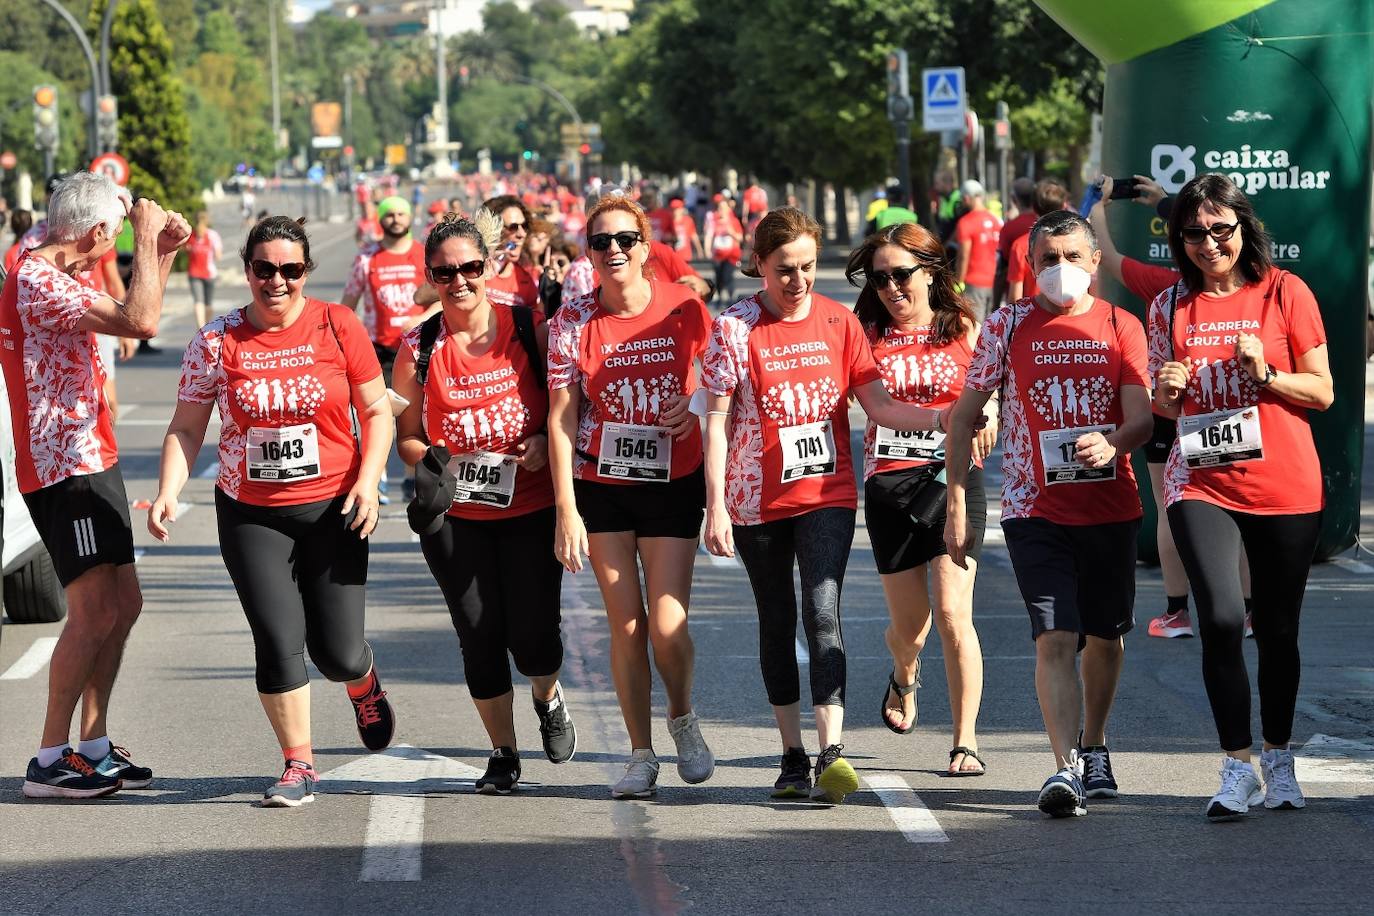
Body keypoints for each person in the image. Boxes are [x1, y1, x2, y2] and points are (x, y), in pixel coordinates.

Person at [701, 208, 961, 804]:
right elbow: (713, 422)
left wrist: (943, 417)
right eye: (784, 269)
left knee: (823, 610)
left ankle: (831, 753)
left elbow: (879, 405)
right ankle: (791, 754)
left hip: (827, 493)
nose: (798, 281)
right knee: (776, 617)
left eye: (809, 267)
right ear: (759, 267)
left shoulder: (840, 322)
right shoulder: (735, 328)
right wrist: (714, 505)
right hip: (755, 498)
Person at [149, 216, 396, 808]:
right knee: (278, 639)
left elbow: (379, 411)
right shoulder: (216, 341)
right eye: (265, 269)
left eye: (290, 270)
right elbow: (186, 429)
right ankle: (298, 764)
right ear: (248, 270)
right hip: (250, 512)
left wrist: (368, 481)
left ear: (305, 272)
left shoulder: (339, 327)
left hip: (335, 506)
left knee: (336, 652)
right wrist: (167, 491)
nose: (277, 282)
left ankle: (362, 681)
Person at [944, 209, 1154, 819]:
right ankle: (1063, 767)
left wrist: (1114, 442)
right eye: (1046, 260)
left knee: (1106, 639)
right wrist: (957, 501)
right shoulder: (1007, 325)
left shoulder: (1120, 324)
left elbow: (1141, 416)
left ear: (1093, 262)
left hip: (1111, 507)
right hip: (1033, 508)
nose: (1059, 269)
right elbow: (965, 415)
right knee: (1055, 637)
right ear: (1030, 266)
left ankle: (1095, 745)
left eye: (1070, 257)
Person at [1147, 174, 1332, 820]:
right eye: (1193, 233)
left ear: (1243, 229)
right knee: (1222, 619)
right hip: (1201, 481)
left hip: (1285, 484)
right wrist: (1166, 393)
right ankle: (1237, 766)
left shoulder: (1286, 292)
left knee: (1277, 630)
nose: (1207, 244)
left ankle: (1278, 758)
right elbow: (1161, 408)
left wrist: (1268, 374)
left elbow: (1323, 390)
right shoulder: (1169, 306)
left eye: (1219, 230)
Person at [1, 172, 189, 798]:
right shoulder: (37, 279)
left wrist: (158, 254)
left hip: (92, 454)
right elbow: (142, 320)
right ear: (100, 232)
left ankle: (94, 745)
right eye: (118, 230)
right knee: (91, 611)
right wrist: (150, 242)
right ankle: (49, 760)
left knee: (124, 604)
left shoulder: (63, 274)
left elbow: (139, 314)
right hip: (63, 468)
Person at [391, 210, 576, 793]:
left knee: (534, 635)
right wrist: (435, 457)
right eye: (446, 273)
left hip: (530, 506)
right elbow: (406, 438)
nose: (460, 281)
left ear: (490, 265)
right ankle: (503, 750)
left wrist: (545, 442)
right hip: (457, 515)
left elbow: (564, 411)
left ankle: (547, 695)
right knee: (478, 631)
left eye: (471, 267)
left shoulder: (529, 329)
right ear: (431, 277)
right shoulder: (418, 347)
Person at [547, 195, 715, 799]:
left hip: (673, 481)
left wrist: (692, 406)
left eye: (624, 239)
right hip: (602, 485)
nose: (613, 250)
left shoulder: (687, 307)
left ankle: (683, 717)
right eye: (600, 242)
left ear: (645, 246)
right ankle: (640, 754)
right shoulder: (572, 322)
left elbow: (714, 384)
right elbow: (562, 419)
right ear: (588, 254)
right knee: (627, 625)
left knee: (668, 626)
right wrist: (566, 507)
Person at [848, 222, 997, 775]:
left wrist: (990, 416)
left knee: (954, 612)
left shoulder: (962, 326)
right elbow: (871, 402)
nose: (891, 288)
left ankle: (965, 740)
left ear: (930, 271)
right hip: (890, 487)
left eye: (901, 275)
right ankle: (904, 675)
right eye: (880, 277)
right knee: (909, 628)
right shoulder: (865, 332)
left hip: (952, 481)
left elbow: (991, 387)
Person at [1089, 175, 1255, 640]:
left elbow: (1113, 261)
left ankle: (1178, 611)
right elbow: (1207, 227)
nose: (1208, 245)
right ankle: (1247, 611)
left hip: (1175, 420)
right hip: (1212, 417)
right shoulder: (1189, 289)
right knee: (1239, 513)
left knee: (1169, 509)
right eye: (1195, 234)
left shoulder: (1168, 287)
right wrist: (1163, 203)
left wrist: (1099, 208)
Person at [342, 196, 427, 503]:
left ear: (410, 217)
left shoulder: (423, 255)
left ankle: (408, 477)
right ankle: (377, 477)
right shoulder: (367, 257)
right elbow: (348, 304)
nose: (395, 219)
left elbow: (441, 299)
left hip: (419, 347)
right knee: (376, 411)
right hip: (377, 347)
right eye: (389, 214)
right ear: (380, 219)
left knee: (413, 413)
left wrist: (419, 318)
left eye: (401, 213)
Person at [1007, 179, 1069, 302]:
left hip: (1034, 316)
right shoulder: (1076, 242)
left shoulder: (1021, 245)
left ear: (1034, 208)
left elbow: (1015, 297)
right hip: (1070, 315)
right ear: (1064, 206)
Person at [954, 180, 1002, 320]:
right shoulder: (995, 220)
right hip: (995, 282)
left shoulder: (966, 222)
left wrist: (958, 283)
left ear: (967, 198)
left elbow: (963, 256)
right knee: (993, 327)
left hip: (974, 283)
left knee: (975, 327)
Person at [992, 177, 1037, 309]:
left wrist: (995, 306)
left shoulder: (1009, 228)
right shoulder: (1047, 225)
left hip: (1020, 303)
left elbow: (1001, 269)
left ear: (1013, 199)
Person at [187, 210, 224, 329]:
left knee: (198, 302)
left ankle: (200, 328)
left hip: (194, 272)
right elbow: (218, 256)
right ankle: (204, 329)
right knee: (208, 304)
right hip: (210, 273)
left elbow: (186, 249)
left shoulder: (192, 234)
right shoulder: (213, 235)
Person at [704, 195, 743, 306]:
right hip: (717, 255)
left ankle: (731, 298)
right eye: (719, 207)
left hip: (731, 254)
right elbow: (709, 236)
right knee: (719, 277)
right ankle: (720, 298)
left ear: (728, 209)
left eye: (723, 207)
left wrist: (731, 233)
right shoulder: (714, 221)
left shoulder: (733, 221)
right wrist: (707, 250)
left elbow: (740, 238)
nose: (721, 210)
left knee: (727, 276)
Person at [3, 209, 33, 274]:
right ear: (31, 224)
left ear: (12, 226)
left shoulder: (10, 253)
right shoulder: (40, 248)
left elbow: (8, 280)